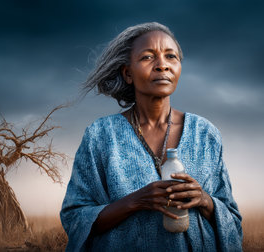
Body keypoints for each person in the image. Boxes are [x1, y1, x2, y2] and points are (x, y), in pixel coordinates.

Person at [60, 22, 243, 251]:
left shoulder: (205, 134)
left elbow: (232, 218)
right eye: (148, 57)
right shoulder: (101, 136)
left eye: (171, 56)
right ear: (128, 73)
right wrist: (134, 202)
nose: (162, 66)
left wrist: (205, 201)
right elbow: (75, 217)